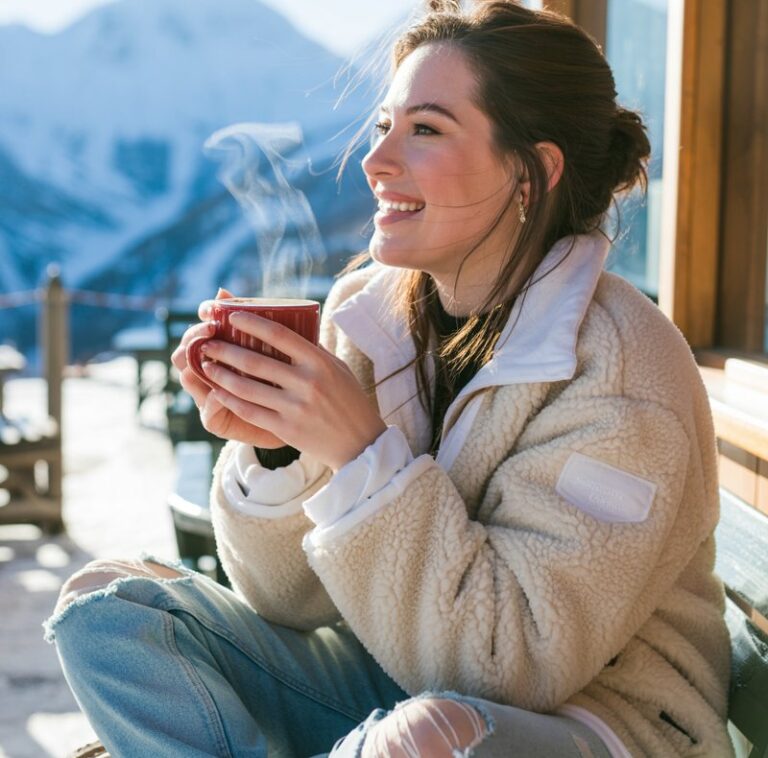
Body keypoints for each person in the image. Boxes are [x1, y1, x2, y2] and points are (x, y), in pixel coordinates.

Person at [46, 1, 733, 756]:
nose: (375, 163)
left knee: (425, 737)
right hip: (391, 676)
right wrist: (282, 451)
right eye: (383, 127)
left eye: (427, 129)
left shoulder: (622, 373)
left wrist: (361, 451)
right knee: (106, 611)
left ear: (533, 172)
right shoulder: (368, 315)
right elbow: (284, 600)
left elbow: (512, 665)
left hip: (600, 722)